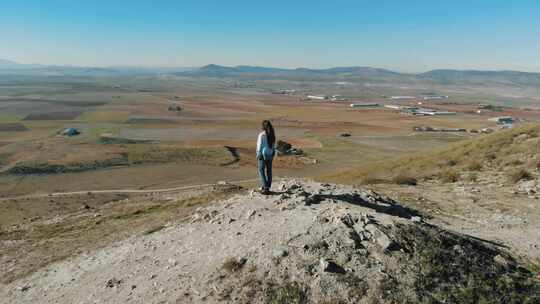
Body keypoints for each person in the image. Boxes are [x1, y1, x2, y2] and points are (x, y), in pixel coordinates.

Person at [256, 120, 276, 195]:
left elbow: (259, 145)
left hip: (262, 154)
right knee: (269, 171)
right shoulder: (272, 135)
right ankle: (267, 186)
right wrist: (273, 152)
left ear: (263, 126)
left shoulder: (262, 135)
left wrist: (258, 153)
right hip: (270, 154)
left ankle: (265, 188)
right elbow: (274, 145)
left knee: (261, 170)